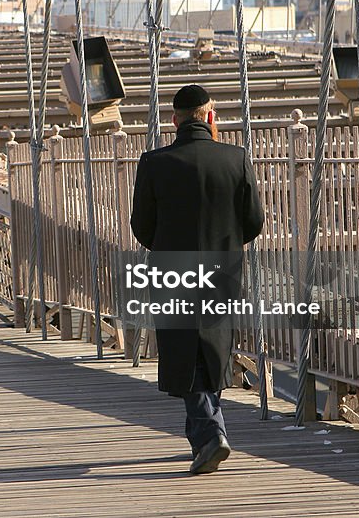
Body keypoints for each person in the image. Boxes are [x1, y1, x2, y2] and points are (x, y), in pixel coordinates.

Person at [130, 84, 264, 475]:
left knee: (185, 355)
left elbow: (142, 227)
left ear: (174, 120)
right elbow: (253, 221)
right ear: (210, 116)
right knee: (213, 351)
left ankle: (209, 435)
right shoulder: (235, 159)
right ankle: (205, 434)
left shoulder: (154, 162)